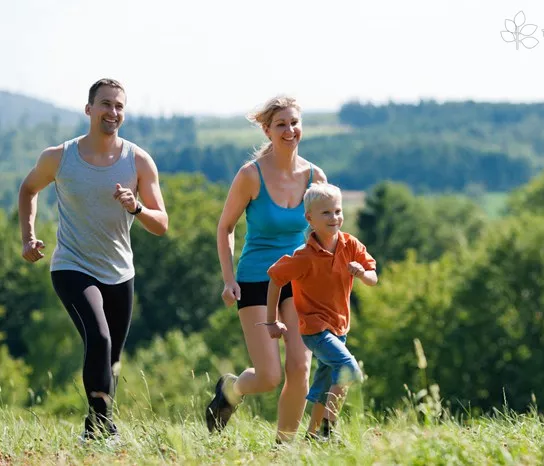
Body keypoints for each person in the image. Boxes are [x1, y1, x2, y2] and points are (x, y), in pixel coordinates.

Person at [18, 78, 169, 441]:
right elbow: (28, 189)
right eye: (105, 104)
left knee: (111, 357)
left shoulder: (138, 160)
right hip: (72, 265)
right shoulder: (60, 156)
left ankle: (94, 426)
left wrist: (137, 206)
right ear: (89, 109)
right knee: (99, 338)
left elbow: (161, 224)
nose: (112, 112)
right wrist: (27, 237)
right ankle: (103, 429)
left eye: (118, 106)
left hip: (120, 271)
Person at [205, 96, 327, 443]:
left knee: (300, 368)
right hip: (257, 280)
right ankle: (231, 389)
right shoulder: (250, 176)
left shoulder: (315, 176)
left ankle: (283, 448)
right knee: (269, 376)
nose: (290, 130)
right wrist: (229, 280)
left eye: (294, 123)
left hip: (300, 280)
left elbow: (324, 231)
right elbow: (225, 227)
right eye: (281, 125)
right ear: (267, 130)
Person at [265, 183, 378, 440]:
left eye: (338, 211)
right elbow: (275, 278)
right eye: (326, 213)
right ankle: (328, 429)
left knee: (325, 384)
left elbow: (373, 277)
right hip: (315, 329)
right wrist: (271, 321)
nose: (334, 217)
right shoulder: (303, 256)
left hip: (340, 327)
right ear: (309, 218)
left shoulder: (350, 245)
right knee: (349, 369)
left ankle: (314, 436)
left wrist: (362, 274)